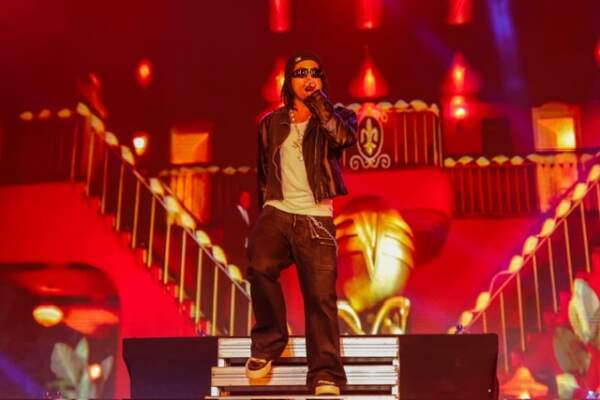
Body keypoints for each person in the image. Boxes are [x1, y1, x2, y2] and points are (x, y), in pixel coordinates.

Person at [245, 51, 357, 396]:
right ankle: (270, 341)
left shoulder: (337, 116)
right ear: (288, 80)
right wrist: (266, 210)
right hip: (278, 210)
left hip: (316, 217)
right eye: (301, 72)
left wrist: (319, 103)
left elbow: (342, 139)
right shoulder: (270, 124)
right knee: (259, 264)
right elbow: (264, 172)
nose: (309, 78)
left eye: (315, 73)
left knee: (320, 298)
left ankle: (325, 375)